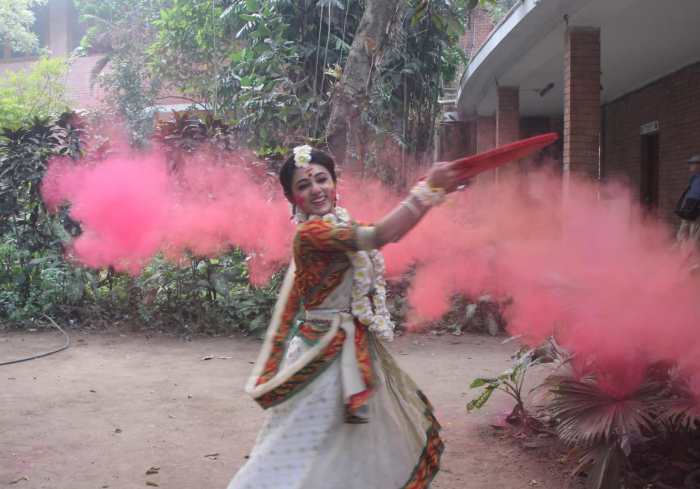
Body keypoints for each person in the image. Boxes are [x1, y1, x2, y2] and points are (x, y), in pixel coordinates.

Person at [227, 146, 466, 489]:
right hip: (321, 357)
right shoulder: (310, 234)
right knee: (301, 448)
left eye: (321, 179)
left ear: (334, 183)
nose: (316, 189)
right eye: (304, 185)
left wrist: (435, 189)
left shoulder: (341, 224)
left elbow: (390, 232)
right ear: (292, 198)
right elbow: (380, 235)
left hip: (352, 351)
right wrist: (428, 189)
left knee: (354, 444)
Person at [675, 155, 700, 269]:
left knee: (695, 241)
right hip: (688, 211)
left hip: (697, 212)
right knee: (681, 235)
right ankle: (690, 259)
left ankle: (694, 266)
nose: (690, 165)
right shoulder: (693, 178)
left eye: (693, 163)